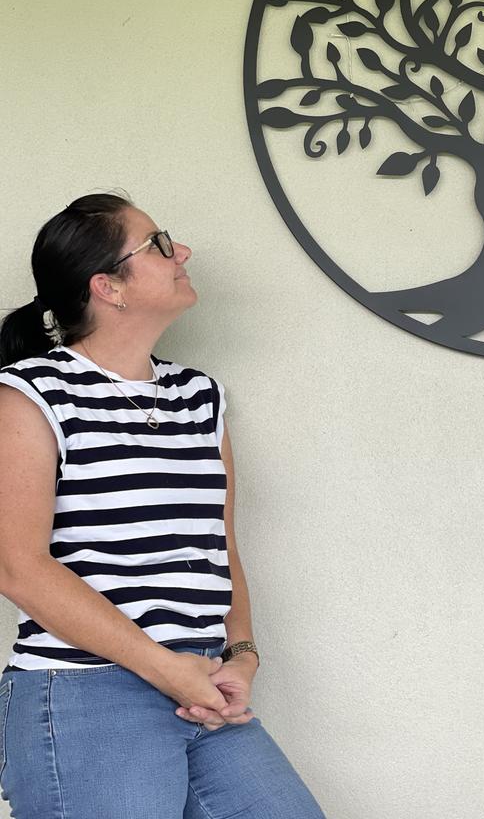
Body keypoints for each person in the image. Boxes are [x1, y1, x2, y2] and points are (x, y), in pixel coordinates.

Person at [0, 192, 327, 818]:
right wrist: (162, 666)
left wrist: (241, 653)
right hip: (83, 691)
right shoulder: (32, 393)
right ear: (109, 287)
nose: (182, 252)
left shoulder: (200, 396)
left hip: (201, 688)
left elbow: (218, 544)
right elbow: (19, 566)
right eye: (157, 244)